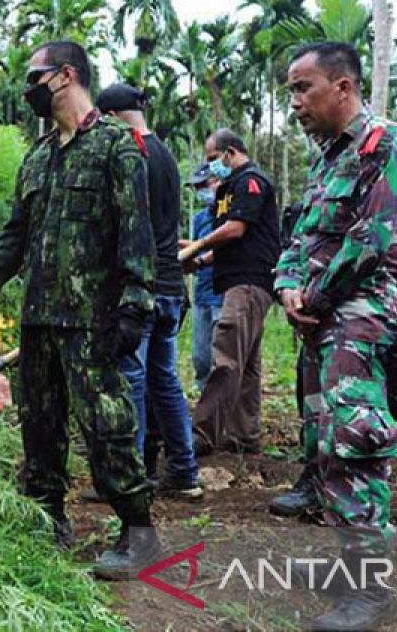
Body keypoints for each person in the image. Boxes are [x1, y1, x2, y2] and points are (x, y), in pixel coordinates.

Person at [0, 41, 161, 580]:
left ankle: (139, 532)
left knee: (106, 427)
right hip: (39, 319)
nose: (29, 90)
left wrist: (136, 306)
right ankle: (48, 521)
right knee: (39, 429)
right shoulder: (37, 156)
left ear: (66, 76)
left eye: (34, 77)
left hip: (92, 322)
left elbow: (138, 234)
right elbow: (14, 239)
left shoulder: (117, 147)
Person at [274, 42, 397, 630]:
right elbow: (301, 234)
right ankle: (348, 561)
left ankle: (370, 587)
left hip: (361, 315)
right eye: (290, 91)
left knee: (352, 438)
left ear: (343, 87)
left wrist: (315, 295)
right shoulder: (327, 156)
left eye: (302, 88)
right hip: (322, 314)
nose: (295, 103)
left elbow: (372, 239)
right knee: (320, 435)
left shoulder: (388, 144)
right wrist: (289, 285)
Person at [96, 83, 202, 501]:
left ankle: (131, 477)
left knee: (133, 379)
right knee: (164, 378)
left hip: (143, 287)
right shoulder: (165, 154)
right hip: (172, 285)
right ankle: (186, 471)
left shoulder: (130, 154)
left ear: (111, 117)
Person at [183, 129, 280, 456]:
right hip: (237, 280)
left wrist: (199, 245)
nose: (211, 168)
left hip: (250, 281)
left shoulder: (250, 181)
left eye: (213, 159)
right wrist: (200, 259)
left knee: (225, 354)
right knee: (246, 361)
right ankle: (242, 434)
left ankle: (202, 434)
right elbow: (229, 241)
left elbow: (237, 230)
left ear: (230, 152)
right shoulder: (228, 188)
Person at [186, 164, 223, 394]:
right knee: (201, 357)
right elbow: (193, 250)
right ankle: (203, 400)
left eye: (204, 185)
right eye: (197, 187)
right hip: (202, 293)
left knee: (222, 357)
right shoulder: (199, 219)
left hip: (223, 294)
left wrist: (201, 259)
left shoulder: (231, 215)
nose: (202, 192)